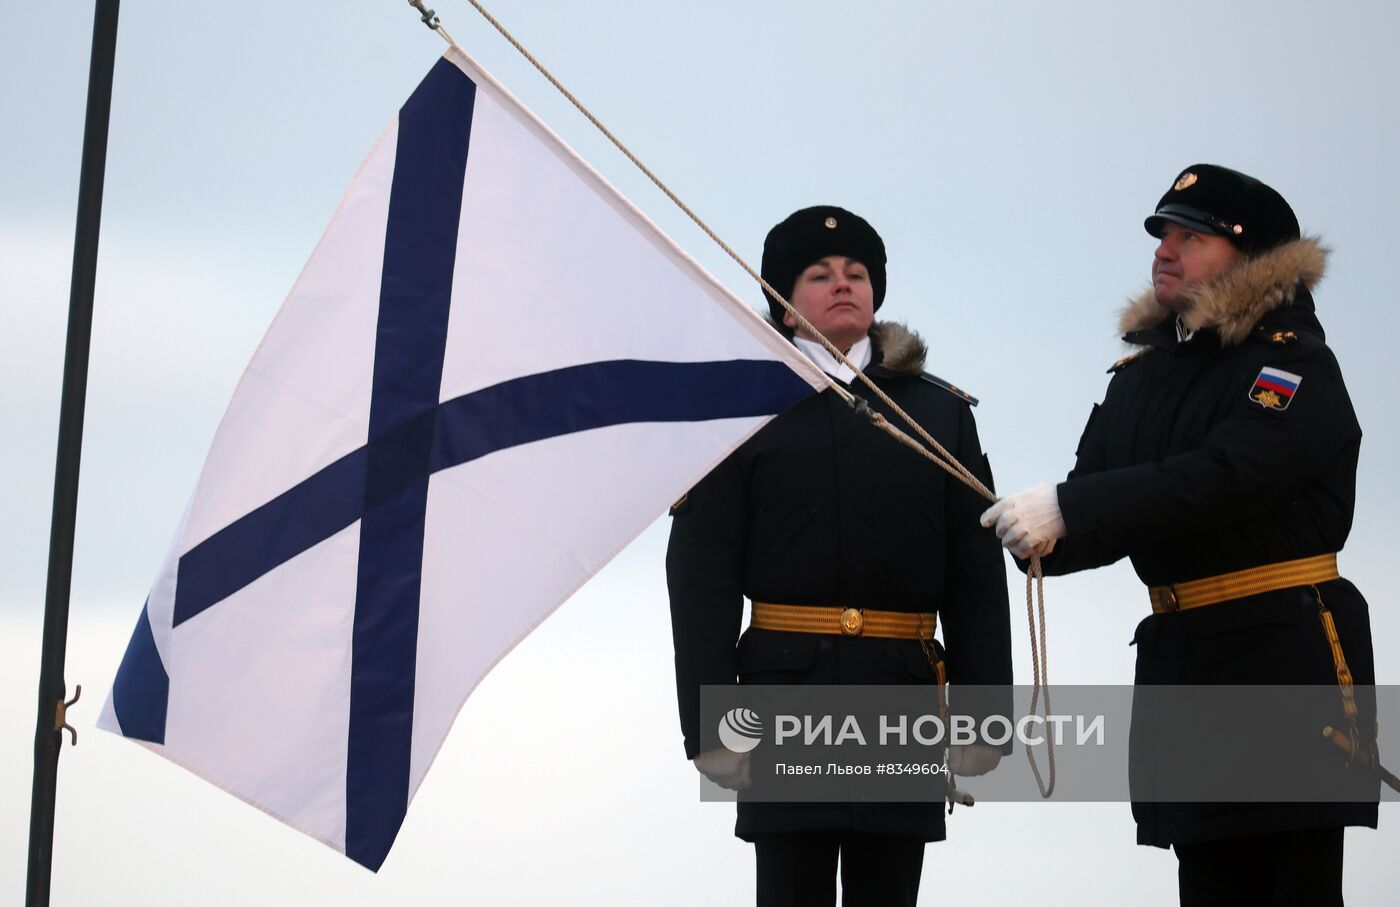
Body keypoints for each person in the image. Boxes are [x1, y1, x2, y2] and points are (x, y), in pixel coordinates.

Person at [982, 164, 1379, 906]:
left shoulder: (1292, 364)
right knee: (1206, 883)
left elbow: (1226, 475)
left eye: (1191, 236)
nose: (1165, 249)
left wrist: (1069, 506)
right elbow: (1099, 511)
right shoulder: (1144, 378)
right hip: (1186, 665)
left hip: (1280, 664)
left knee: (1289, 884)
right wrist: (1032, 533)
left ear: (1253, 257)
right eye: (1163, 234)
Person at [667, 205, 1013, 907]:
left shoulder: (938, 414)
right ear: (784, 303)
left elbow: (976, 575)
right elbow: (700, 574)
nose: (843, 283)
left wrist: (986, 714)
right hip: (782, 695)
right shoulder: (744, 409)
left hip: (900, 694)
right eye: (819, 274)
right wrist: (709, 722)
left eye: (857, 273)